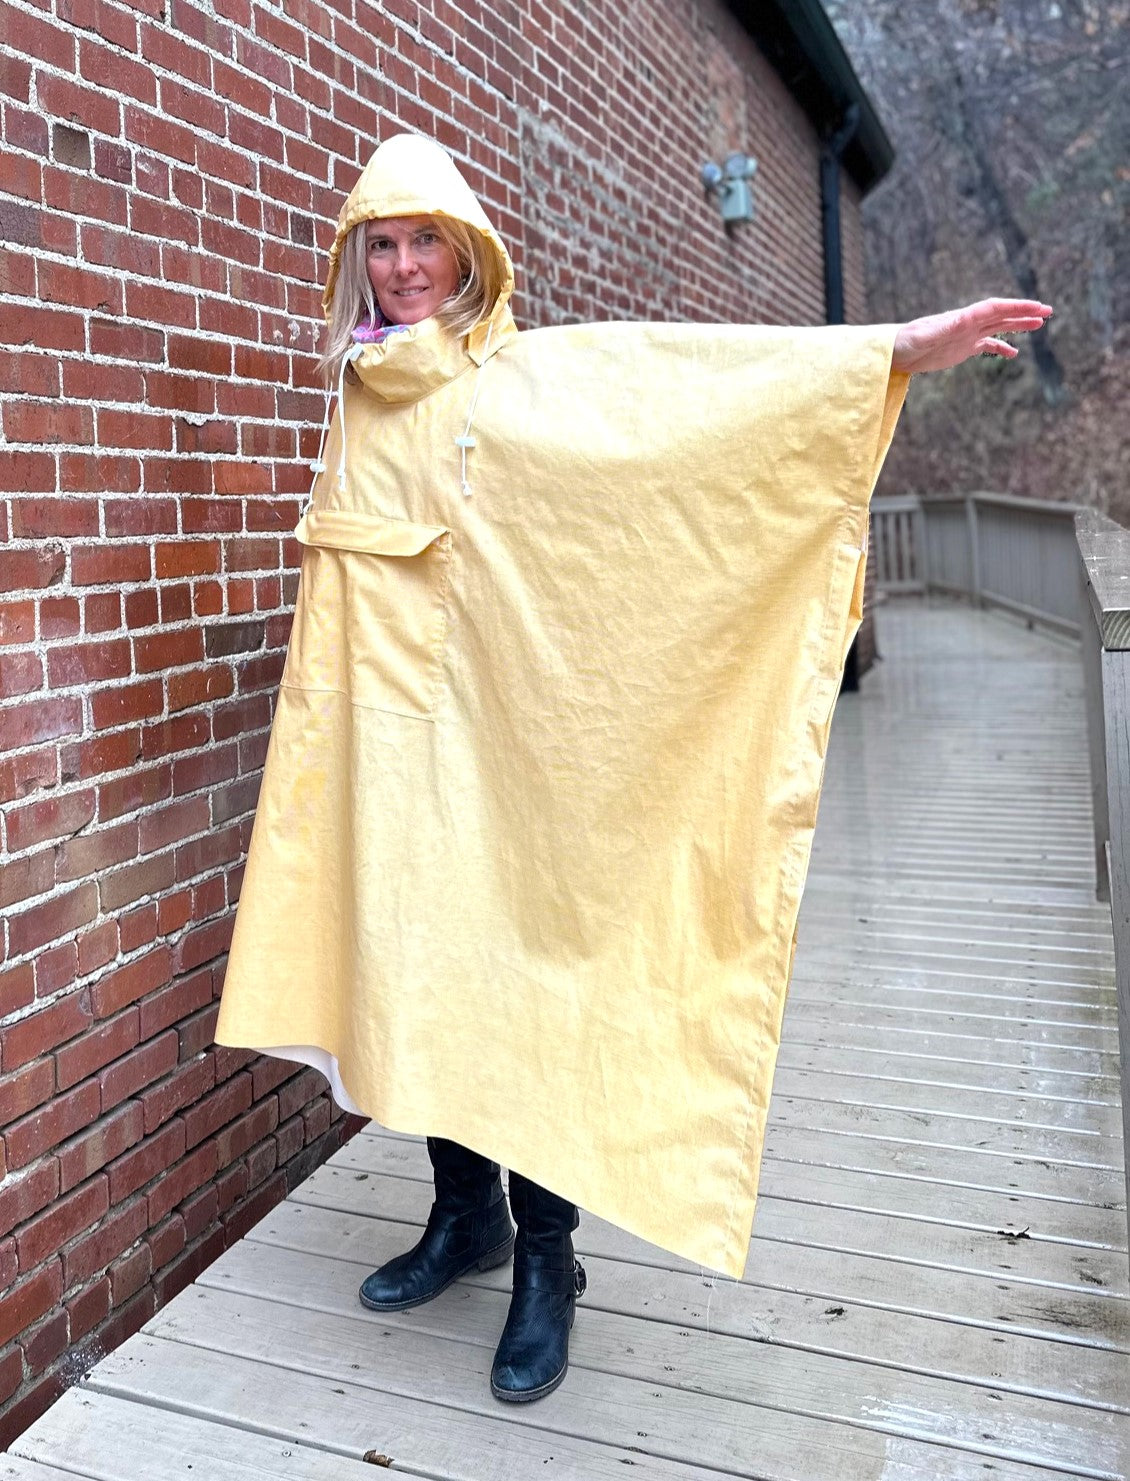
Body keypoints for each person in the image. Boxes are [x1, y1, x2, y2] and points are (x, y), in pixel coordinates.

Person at [213, 132, 1051, 1405]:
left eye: (425, 240)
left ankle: (547, 1260)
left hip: (508, 761)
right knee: (415, 976)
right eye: (380, 244)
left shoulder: (522, 381)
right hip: (386, 755)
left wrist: (889, 349)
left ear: (466, 252)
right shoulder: (356, 396)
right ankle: (464, 1217)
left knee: (527, 988)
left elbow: (685, 388)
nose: (403, 267)